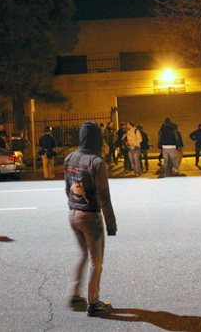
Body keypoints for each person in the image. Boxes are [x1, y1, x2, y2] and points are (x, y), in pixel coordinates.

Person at [64, 121, 117, 316]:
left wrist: (75, 206)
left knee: (82, 254)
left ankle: (74, 295)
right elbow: (103, 196)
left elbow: (67, 188)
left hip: (73, 213)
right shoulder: (96, 162)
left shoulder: (70, 157)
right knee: (96, 260)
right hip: (90, 216)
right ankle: (93, 303)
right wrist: (111, 224)